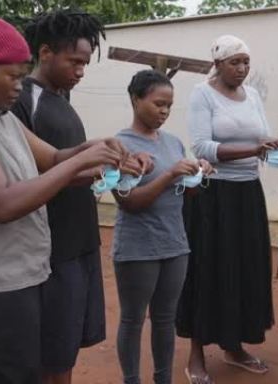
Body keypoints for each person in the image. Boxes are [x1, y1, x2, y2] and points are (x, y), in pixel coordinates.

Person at [0, 13, 140, 384]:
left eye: (23, 75)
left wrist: (97, 149)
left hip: (22, 273)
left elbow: (54, 159)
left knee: (30, 370)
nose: (19, 86)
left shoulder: (1, 116)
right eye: (13, 76)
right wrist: (80, 163)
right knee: (15, 375)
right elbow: (3, 204)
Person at [10, 10, 152, 384]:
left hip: (78, 240)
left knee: (65, 348)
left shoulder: (60, 100)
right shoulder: (22, 98)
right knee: (52, 354)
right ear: (44, 53)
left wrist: (114, 166)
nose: (81, 70)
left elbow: (67, 165)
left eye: (85, 63)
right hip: (50, 248)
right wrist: (101, 168)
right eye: (74, 61)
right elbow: (30, 173)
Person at [175, 35, 278, 383]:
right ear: (218, 64)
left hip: (247, 194)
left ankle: (234, 346)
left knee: (245, 269)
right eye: (235, 62)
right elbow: (201, 146)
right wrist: (253, 149)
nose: (242, 69)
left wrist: (277, 142)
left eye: (246, 62)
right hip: (213, 196)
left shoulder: (253, 96)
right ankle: (196, 354)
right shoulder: (202, 94)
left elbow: (262, 136)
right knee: (208, 269)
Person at [112, 70, 214, 384]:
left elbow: (187, 192)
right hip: (138, 248)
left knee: (165, 319)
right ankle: (132, 379)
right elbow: (128, 202)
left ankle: (163, 379)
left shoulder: (173, 142)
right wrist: (170, 174)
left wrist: (199, 174)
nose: (164, 111)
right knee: (132, 319)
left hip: (174, 244)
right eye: (158, 103)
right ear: (135, 99)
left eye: (169, 106)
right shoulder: (119, 146)